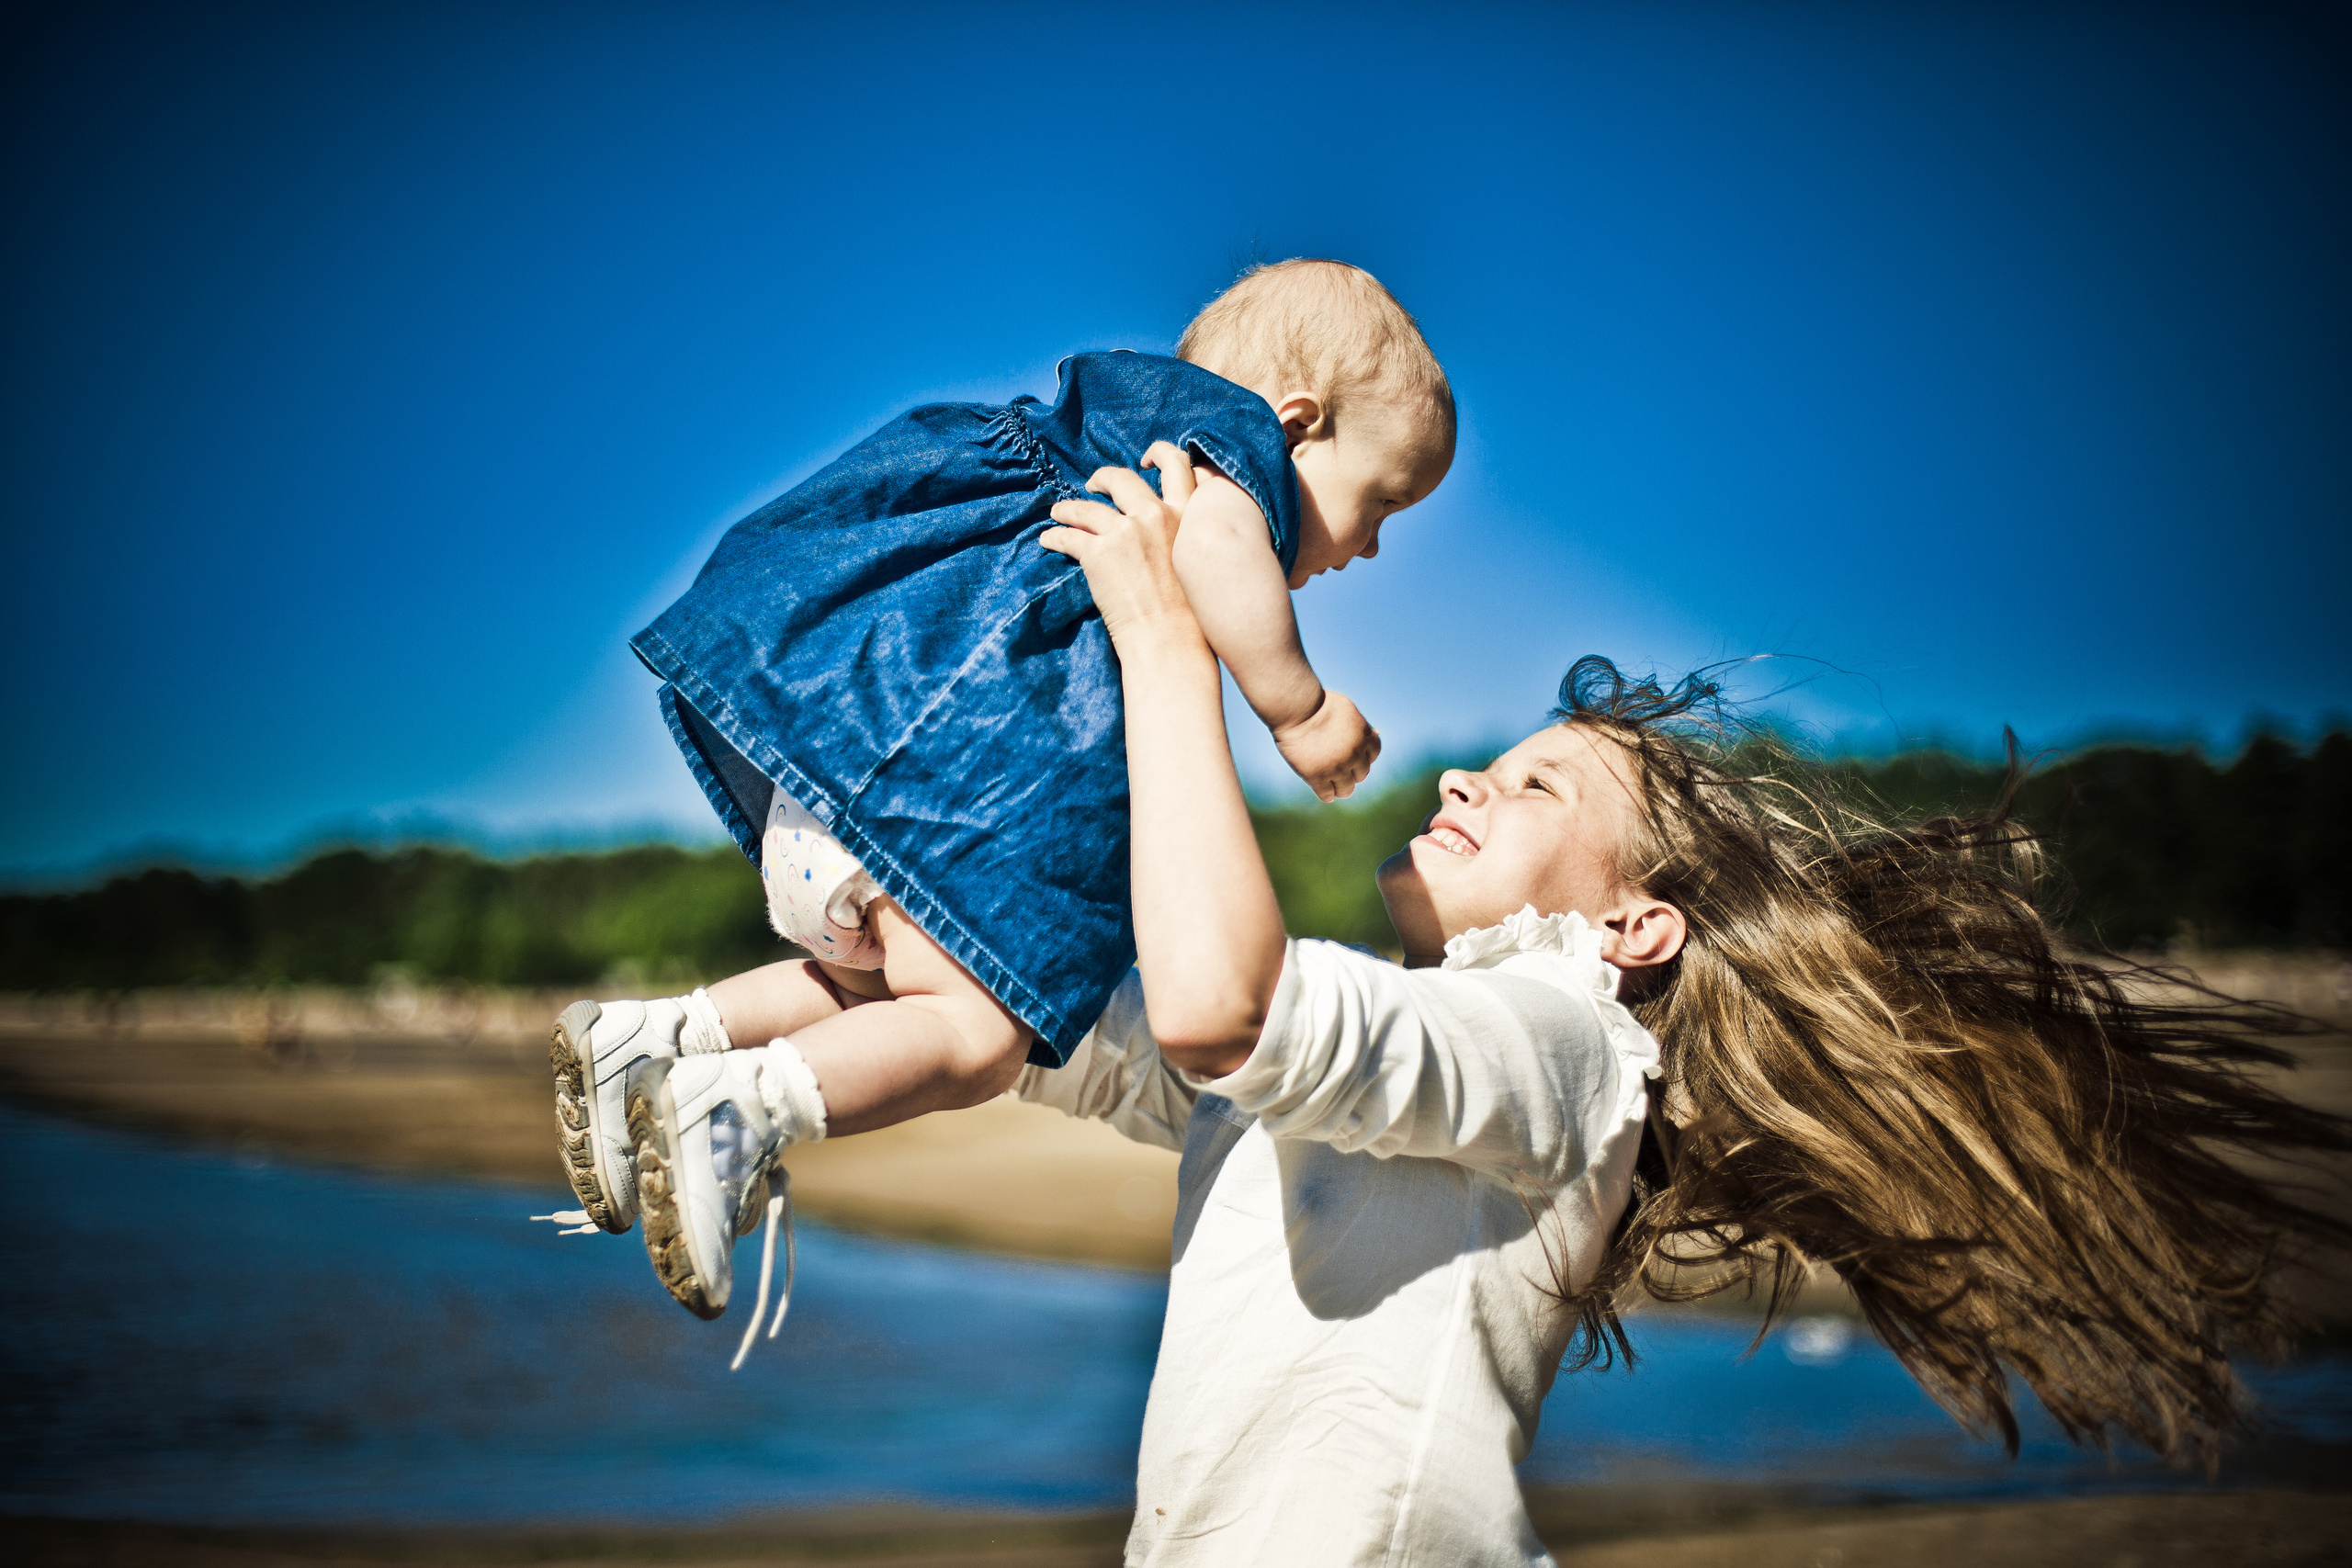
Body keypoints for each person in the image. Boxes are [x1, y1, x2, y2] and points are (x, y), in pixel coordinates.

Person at [1012, 467, 2348, 1561]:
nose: (1467, 773)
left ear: (1633, 927)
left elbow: (1220, 1010)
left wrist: (1167, 643)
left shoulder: (1574, 1034)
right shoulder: (1414, 1035)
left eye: (1536, 787)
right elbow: (1061, 1022)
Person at [539, 262, 1456, 1334]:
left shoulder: (1099, 431)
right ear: (1296, 424)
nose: (1373, 545)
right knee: (976, 1039)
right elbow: (1215, 543)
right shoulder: (1218, 453)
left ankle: (662, 1037)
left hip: (836, 757)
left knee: (894, 991)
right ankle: (736, 1108)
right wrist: (1298, 708)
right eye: (1381, 500)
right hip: (943, 768)